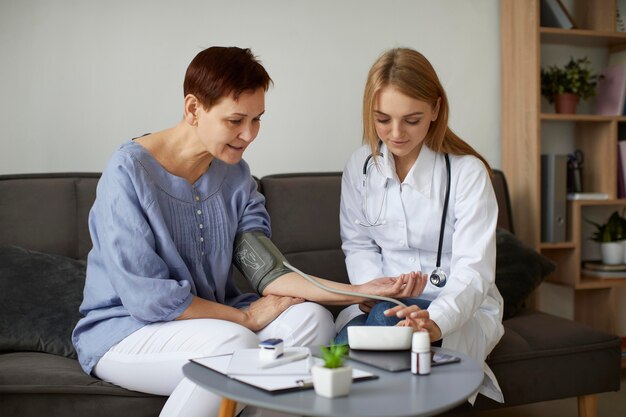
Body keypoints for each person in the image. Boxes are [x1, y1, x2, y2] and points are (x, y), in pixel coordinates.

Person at [72, 46, 419, 417]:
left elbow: (267, 271)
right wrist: (245, 318)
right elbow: (148, 298)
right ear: (193, 109)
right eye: (235, 121)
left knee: (312, 320)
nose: (249, 134)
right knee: (235, 344)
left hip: (213, 324)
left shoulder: (235, 175)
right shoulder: (128, 172)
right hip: (127, 331)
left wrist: (356, 292)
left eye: (257, 120)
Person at [335, 48, 505, 403]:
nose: (395, 134)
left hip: (453, 303)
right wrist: (372, 292)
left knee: (376, 332)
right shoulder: (360, 166)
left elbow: (473, 270)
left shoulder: (467, 173)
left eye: (411, 120)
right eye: (382, 119)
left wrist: (435, 320)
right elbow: (358, 244)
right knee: (346, 338)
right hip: (382, 299)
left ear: (435, 109)